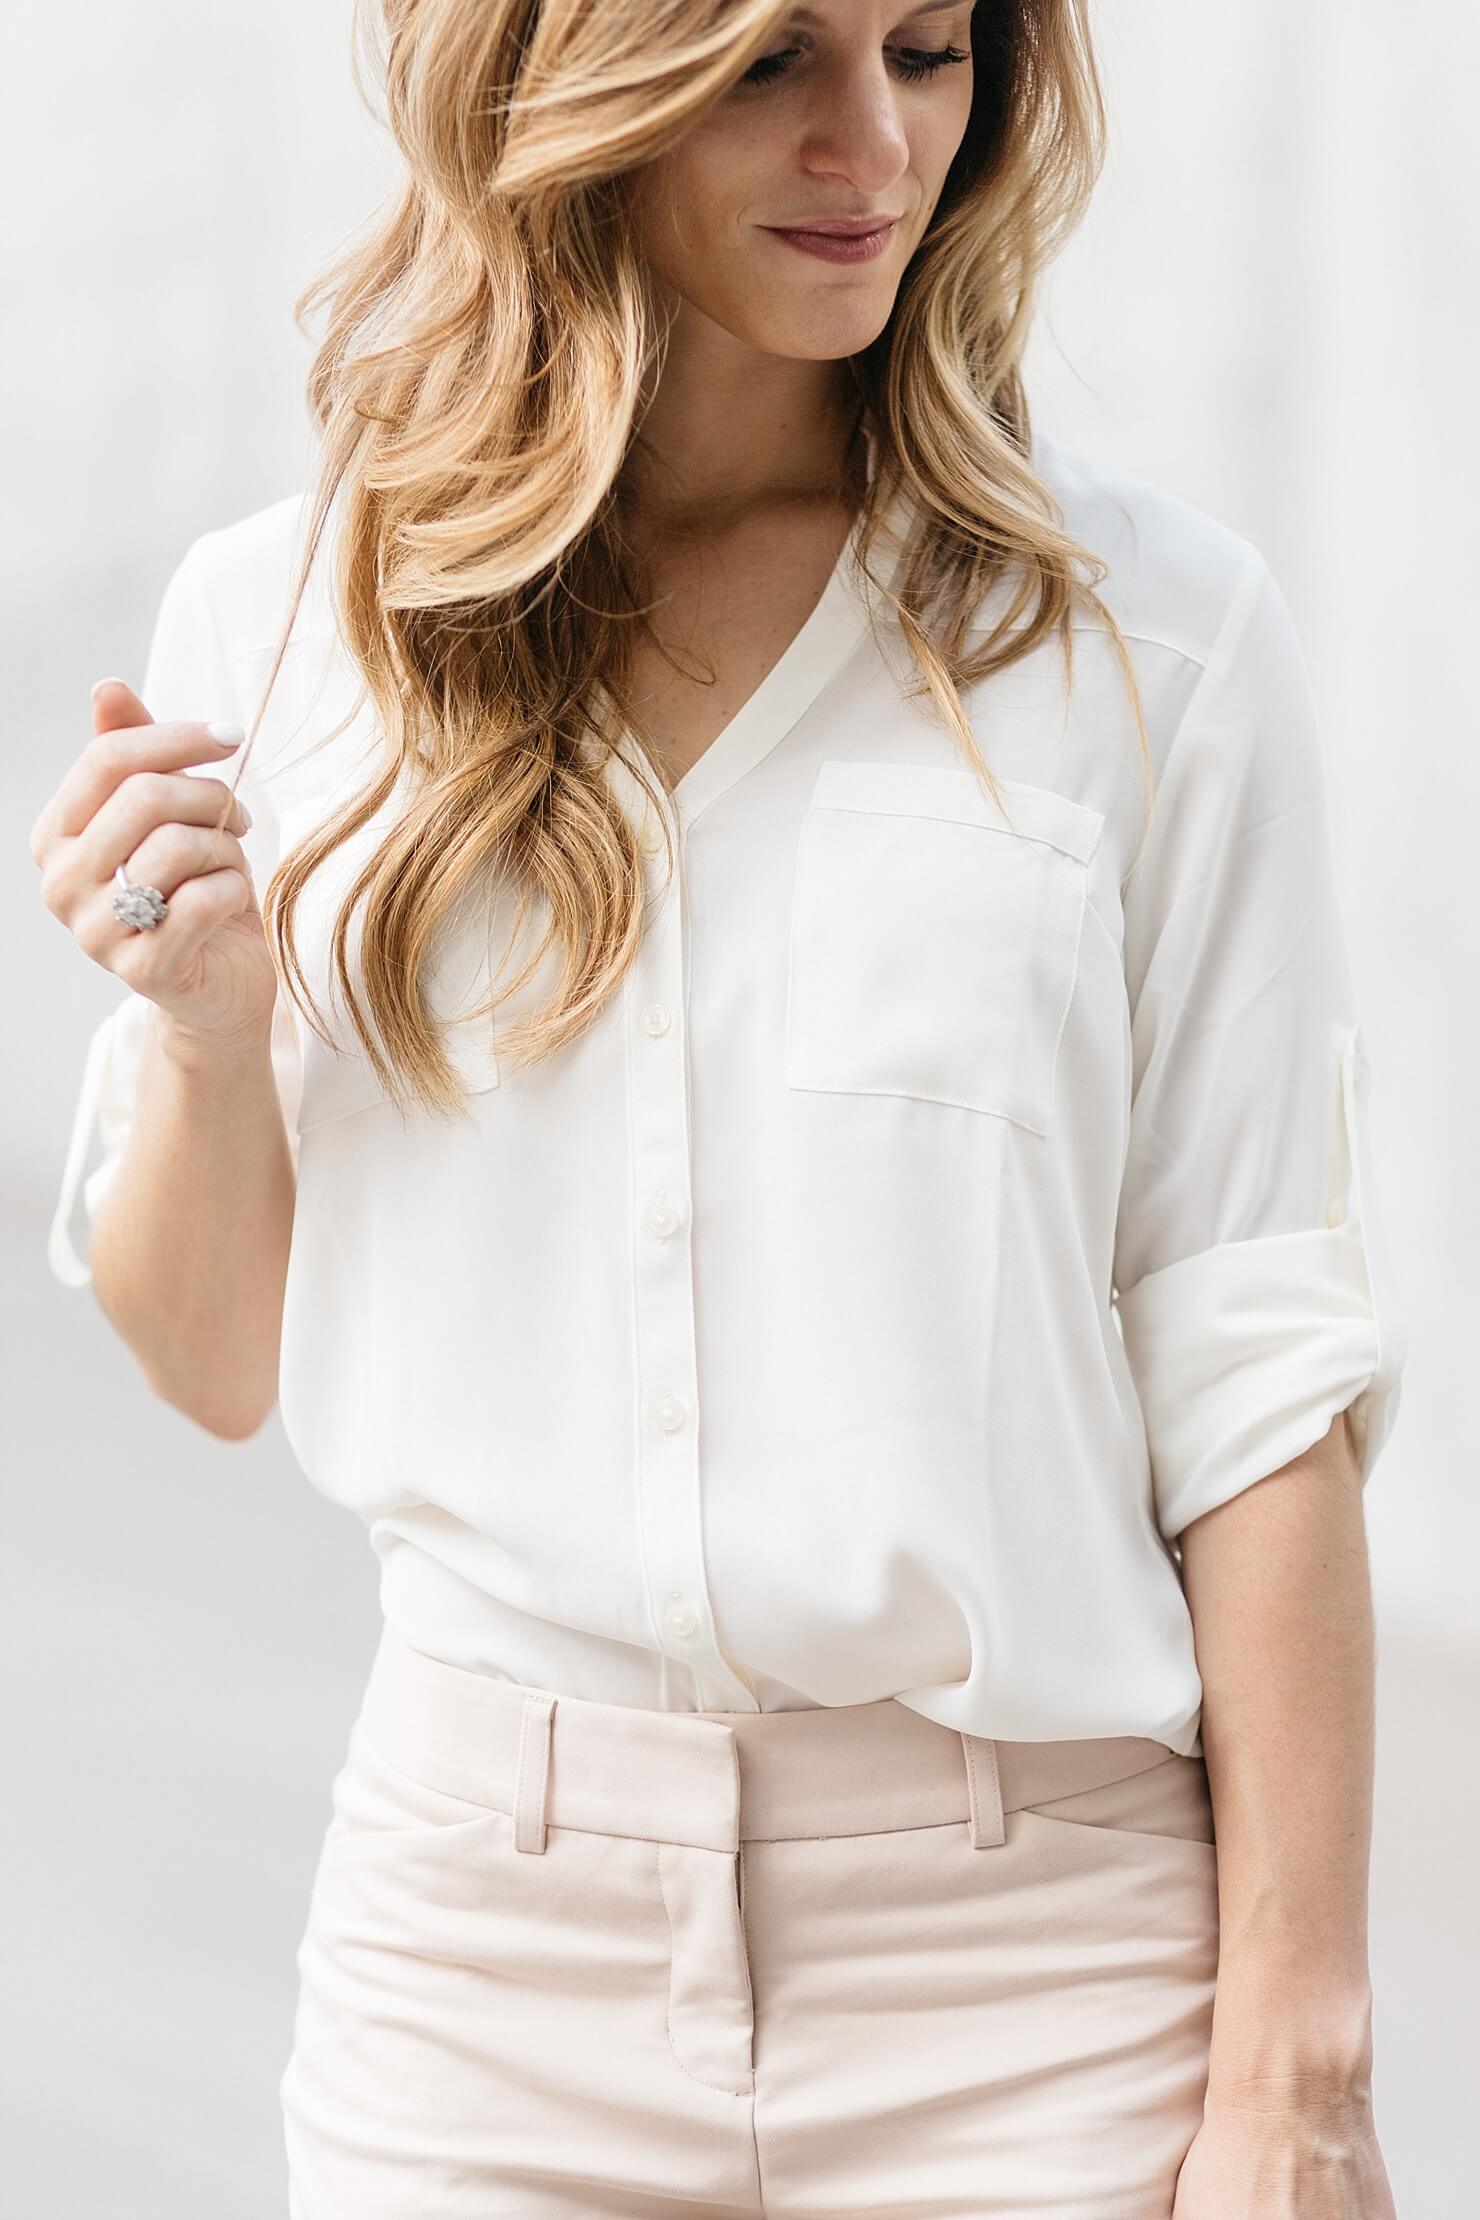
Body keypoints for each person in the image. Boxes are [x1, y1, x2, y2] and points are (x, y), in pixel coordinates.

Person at [34, 1, 1408, 2213]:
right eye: (771, 57)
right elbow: (208, 1364)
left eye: (928, 47)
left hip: (1034, 1985)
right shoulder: (293, 632)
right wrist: (205, 1032)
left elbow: (1252, 1380)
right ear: (573, 81)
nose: (873, 141)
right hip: (473, 1983)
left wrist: (1295, 2068)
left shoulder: (1142, 645)